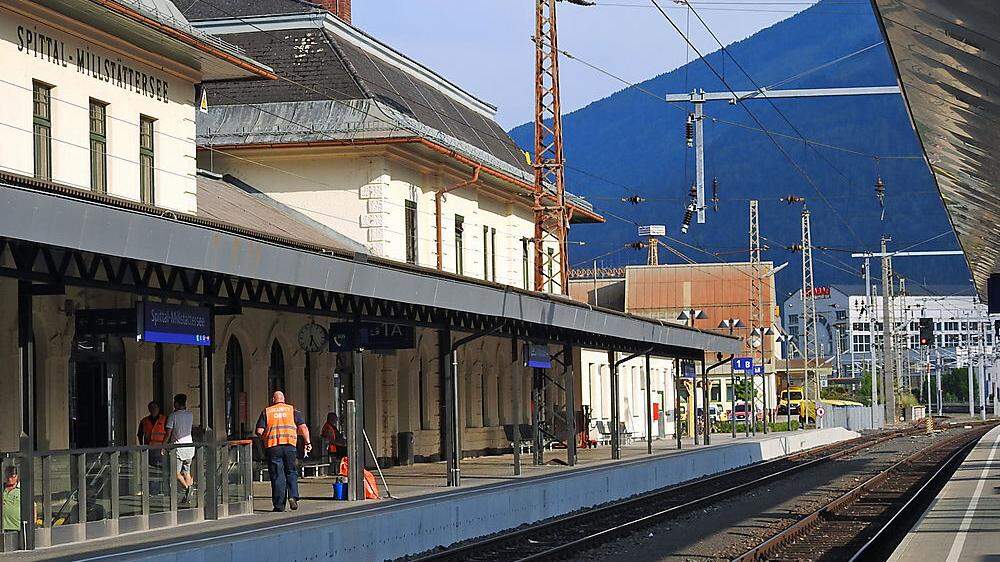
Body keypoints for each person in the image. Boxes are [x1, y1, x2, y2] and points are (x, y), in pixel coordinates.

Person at [256, 391, 311, 512]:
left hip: (273, 447)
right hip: (290, 445)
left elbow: (259, 431)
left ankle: (279, 505)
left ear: (273, 399)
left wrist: (266, 437)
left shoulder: (267, 411)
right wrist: (307, 442)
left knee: (277, 475)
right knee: (291, 471)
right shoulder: (292, 410)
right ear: (284, 399)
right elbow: (303, 427)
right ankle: (293, 496)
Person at [163, 393, 195, 504]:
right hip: (190, 447)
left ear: (176, 403)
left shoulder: (173, 416)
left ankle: (187, 488)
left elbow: (168, 433)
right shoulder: (190, 415)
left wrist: (164, 445)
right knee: (187, 471)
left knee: (175, 473)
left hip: (178, 448)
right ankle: (189, 494)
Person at [2, 466, 21, 532]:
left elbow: (33, 507)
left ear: (17, 476)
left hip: (17, 528)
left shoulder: (23, 489)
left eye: (13, 477)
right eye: (8, 477)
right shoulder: (2, 488)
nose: (10, 479)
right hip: (2, 527)